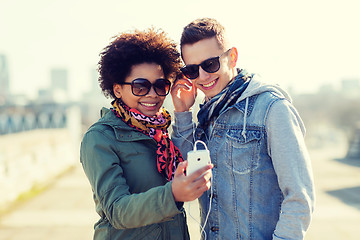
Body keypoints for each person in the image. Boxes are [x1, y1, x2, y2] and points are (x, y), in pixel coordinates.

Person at [171, 18, 315, 240]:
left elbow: (299, 197)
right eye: (192, 70)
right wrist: (182, 112)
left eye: (210, 64)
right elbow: (187, 174)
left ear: (232, 57)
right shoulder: (208, 114)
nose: (202, 77)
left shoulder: (272, 109)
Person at [80, 28, 213, 240]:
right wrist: (172, 195)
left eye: (160, 85)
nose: (152, 94)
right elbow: (116, 210)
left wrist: (182, 111)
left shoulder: (159, 132)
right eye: (140, 86)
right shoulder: (100, 138)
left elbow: (183, 164)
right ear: (117, 89)